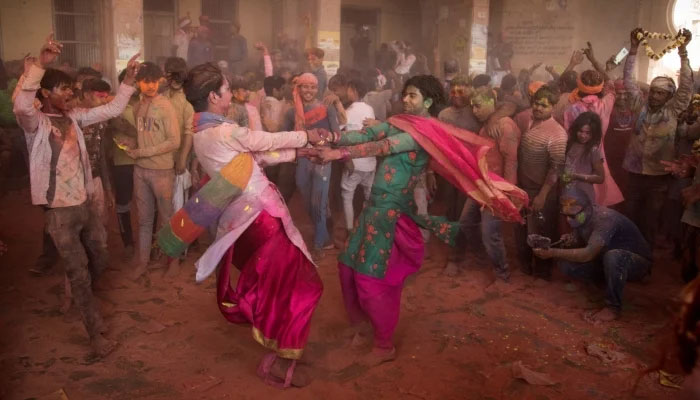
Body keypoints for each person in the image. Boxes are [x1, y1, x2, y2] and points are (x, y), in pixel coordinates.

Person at [311, 75, 526, 367]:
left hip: (390, 216)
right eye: (405, 95)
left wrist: (339, 153)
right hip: (372, 210)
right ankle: (362, 326)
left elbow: (383, 147)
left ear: (427, 101)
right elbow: (369, 136)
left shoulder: (423, 133)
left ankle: (383, 344)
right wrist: (332, 137)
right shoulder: (402, 121)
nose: (406, 100)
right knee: (346, 267)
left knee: (370, 279)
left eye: (413, 96)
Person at [182, 62, 326, 388]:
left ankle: (282, 349)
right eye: (226, 89)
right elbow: (263, 141)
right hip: (260, 218)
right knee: (296, 283)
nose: (231, 94)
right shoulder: (223, 131)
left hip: (242, 221)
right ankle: (283, 357)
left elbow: (254, 159)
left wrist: (298, 153)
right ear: (212, 96)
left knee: (279, 283)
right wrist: (307, 136)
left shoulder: (203, 132)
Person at [13, 34, 140, 357]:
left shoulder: (76, 117)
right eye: (63, 88)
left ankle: (84, 303)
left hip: (83, 204)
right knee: (79, 270)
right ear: (45, 93)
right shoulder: (36, 124)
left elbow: (112, 109)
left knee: (100, 258)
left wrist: (126, 81)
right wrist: (41, 65)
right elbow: (21, 105)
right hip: (59, 212)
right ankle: (95, 335)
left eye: (71, 88)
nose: (70, 93)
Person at [533, 187, 651, 324]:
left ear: (586, 208)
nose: (568, 219)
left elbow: (588, 254)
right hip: (605, 257)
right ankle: (602, 284)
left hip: (636, 262)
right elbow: (585, 238)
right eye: (566, 215)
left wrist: (553, 252)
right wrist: (572, 238)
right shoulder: (583, 214)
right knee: (565, 265)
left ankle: (613, 307)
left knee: (614, 256)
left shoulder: (605, 219)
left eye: (572, 216)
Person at [623, 27, 693, 245]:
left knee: (650, 222)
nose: (654, 96)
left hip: (658, 178)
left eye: (660, 93)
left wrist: (683, 52)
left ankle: (645, 264)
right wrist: (633, 49)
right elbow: (628, 81)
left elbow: (687, 87)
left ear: (669, 96)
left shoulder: (673, 111)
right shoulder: (639, 105)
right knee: (630, 219)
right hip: (634, 173)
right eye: (653, 91)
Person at [445, 89, 520, 280]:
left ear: (491, 102)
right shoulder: (487, 125)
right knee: (466, 223)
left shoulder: (505, 126)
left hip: (496, 189)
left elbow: (511, 161)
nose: (474, 110)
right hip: (481, 185)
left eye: (478, 105)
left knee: (490, 233)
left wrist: (507, 192)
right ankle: (482, 257)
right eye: (472, 106)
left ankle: (502, 274)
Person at [124, 62, 181, 280]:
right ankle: (143, 262)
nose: (151, 86)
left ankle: (173, 262)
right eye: (146, 82)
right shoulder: (139, 104)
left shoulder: (165, 106)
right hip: (141, 170)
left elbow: (175, 141)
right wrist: (131, 143)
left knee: (167, 220)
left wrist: (143, 151)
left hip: (162, 171)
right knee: (144, 220)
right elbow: (142, 134)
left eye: (154, 81)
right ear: (138, 83)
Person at [282, 73, 339, 258]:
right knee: (309, 203)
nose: (309, 90)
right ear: (298, 89)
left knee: (319, 202)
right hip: (303, 160)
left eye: (313, 87)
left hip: (323, 159)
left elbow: (336, 134)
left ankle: (319, 244)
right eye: (305, 86)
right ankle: (324, 234)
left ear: (318, 89)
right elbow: (284, 136)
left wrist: (324, 143)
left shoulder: (327, 108)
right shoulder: (292, 113)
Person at [515, 86, 568, 280]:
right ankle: (525, 266)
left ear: (553, 107)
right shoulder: (526, 121)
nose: (538, 108)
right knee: (521, 230)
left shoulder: (557, 133)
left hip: (542, 191)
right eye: (536, 103)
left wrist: (543, 195)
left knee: (542, 232)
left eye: (544, 106)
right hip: (522, 189)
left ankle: (543, 272)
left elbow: (556, 169)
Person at [337, 78, 376, 241]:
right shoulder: (370, 109)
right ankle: (369, 229)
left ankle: (350, 230)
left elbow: (339, 132)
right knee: (369, 196)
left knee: (347, 196)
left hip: (353, 161)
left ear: (353, 90)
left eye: (348, 89)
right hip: (370, 162)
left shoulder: (348, 111)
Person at [107, 70, 139, 260]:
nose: (135, 85)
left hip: (144, 160)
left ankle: (147, 242)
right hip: (122, 161)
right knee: (123, 203)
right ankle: (127, 242)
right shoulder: (113, 106)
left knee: (146, 204)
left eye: (136, 82)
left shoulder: (146, 104)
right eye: (130, 82)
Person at [562, 112, 605, 204]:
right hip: (566, 194)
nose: (583, 135)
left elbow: (600, 178)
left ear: (594, 134)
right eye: (580, 131)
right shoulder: (569, 145)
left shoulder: (593, 151)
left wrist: (576, 176)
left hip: (583, 197)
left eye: (588, 133)